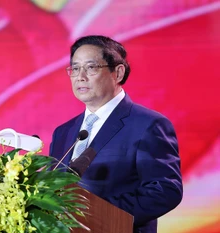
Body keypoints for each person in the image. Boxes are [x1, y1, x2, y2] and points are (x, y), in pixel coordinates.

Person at [49, 35, 183, 233]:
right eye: (75, 68)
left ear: (118, 73)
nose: (80, 76)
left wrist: (96, 213)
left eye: (91, 67)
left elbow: (165, 191)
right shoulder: (63, 132)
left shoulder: (148, 125)